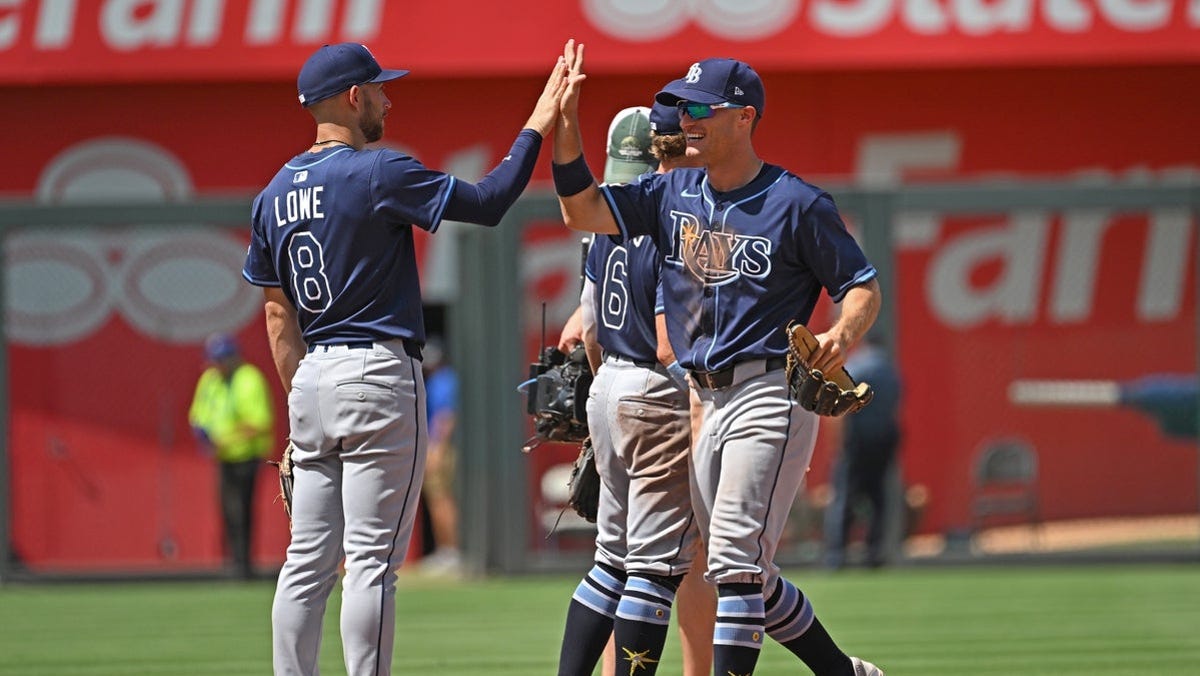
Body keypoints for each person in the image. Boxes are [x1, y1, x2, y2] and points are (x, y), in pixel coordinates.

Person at [551, 41, 886, 676]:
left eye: (702, 109)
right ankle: (842, 672)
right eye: (682, 108)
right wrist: (565, 126)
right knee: (745, 574)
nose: (687, 121)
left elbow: (862, 286)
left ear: (745, 117)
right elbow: (581, 210)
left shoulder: (797, 202)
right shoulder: (672, 191)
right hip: (700, 397)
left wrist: (842, 334)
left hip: (767, 392)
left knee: (732, 561)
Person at [242, 42, 566, 675]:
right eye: (381, 89)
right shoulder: (377, 171)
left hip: (311, 377)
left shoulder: (272, 194)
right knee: (370, 561)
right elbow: (492, 201)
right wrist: (537, 124)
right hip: (375, 372)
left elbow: (278, 315)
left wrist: (299, 403)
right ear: (354, 97)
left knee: (306, 560)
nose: (389, 99)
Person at [553, 102, 715, 676]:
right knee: (654, 569)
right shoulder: (675, 218)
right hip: (657, 387)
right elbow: (672, 345)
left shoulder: (605, 224)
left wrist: (607, 398)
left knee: (610, 561)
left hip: (611, 382)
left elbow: (591, 328)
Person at [188, 332, 275, 580]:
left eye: (221, 360)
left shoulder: (249, 379)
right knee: (227, 509)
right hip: (223, 456)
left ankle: (244, 564)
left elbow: (258, 422)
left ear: (233, 358)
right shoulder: (210, 379)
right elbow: (198, 412)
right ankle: (233, 562)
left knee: (242, 509)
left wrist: (222, 438)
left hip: (246, 456)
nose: (216, 365)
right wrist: (202, 432)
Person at [822, 333, 903, 570]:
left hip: (856, 441)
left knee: (844, 495)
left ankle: (837, 555)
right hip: (884, 438)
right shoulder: (889, 371)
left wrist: (837, 443)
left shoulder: (855, 367)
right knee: (878, 497)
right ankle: (874, 553)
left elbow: (841, 407)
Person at [419, 336, 462, 575]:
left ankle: (450, 551)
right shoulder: (439, 379)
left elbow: (445, 419)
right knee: (438, 497)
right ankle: (446, 550)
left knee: (440, 498)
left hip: (440, 447)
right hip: (437, 445)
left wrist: (436, 449)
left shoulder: (444, 380)